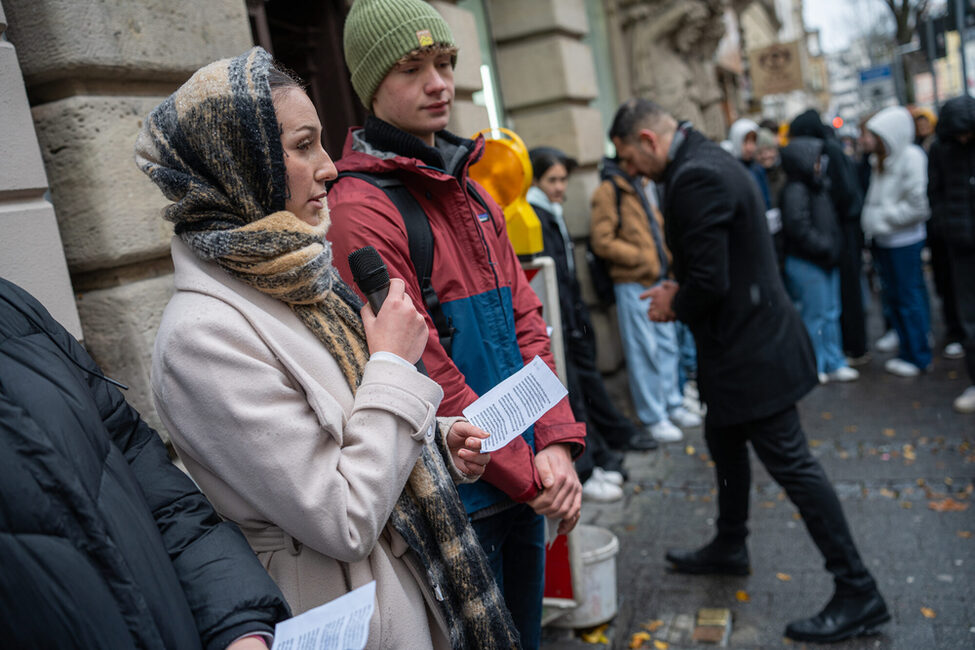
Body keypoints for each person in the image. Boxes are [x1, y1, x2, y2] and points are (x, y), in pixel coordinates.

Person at [137, 47, 520, 650]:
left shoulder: (300, 277)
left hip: (407, 590)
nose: (329, 168)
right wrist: (393, 362)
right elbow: (342, 516)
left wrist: (440, 441)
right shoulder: (202, 339)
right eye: (301, 145)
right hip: (346, 615)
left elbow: (356, 423)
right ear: (241, 164)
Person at [326, 3, 585, 647]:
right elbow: (422, 363)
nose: (439, 82)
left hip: (521, 474)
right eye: (413, 69)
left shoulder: (473, 189)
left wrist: (553, 443)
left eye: (443, 63)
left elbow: (528, 321)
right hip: (457, 492)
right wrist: (528, 472)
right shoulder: (359, 207)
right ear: (371, 85)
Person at [610, 98, 887, 643]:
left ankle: (858, 590)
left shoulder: (692, 177)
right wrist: (685, 288)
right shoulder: (708, 158)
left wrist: (674, 301)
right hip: (743, 346)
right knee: (723, 438)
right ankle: (730, 543)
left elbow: (710, 282)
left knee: (794, 466)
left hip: (751, 353)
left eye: (630, 159)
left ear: (647, 140)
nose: (632, 172)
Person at [0, 277, 290, 649]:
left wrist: (238, 625)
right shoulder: (198, 332)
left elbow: (152, 483)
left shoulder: (12, 308)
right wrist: (388, 369)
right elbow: (343, 517)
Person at [527, 146, 641, 503]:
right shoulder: (535, 215)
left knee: (583, 390)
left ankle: (602, 454)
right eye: (553, 179)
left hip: (572, 319)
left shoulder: (550, 213)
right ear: (535, 180)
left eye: (563, 179)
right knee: (571, 395)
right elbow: (551, 280)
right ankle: (588, 466)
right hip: (558, 324)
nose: (560, 187)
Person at [590, 146, 701, 443]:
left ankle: (671, 404)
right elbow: (602, 240)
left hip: (655, 278)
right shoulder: (609, 190)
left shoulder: (640, 187)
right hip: (632, 281)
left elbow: (656, 230)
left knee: (666, 346)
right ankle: (654, 415)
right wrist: (641, 257)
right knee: (644, 350)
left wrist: (663, 260)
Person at [790, 109, 868, 364]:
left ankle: (853, 346)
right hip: (840, 231)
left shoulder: (829, 153)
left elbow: (844, 194)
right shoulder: (830, 151)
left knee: (845, 293)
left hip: (843, 231)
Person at [779, 137, 859, 383]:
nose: (820, 163)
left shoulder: (818, 186)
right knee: (815, 316)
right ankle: (815, 364)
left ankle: (834, 360)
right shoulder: (795, 190)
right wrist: (824, 246)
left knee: (830, 313)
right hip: (808, 262)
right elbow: (798, 227)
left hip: (825, 260)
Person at [862, 106, 932, 377]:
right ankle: (910, 349)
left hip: (904, 240)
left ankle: (917, 355)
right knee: (898, 296)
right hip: (887, 240)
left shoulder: (911, 157)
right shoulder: (884, 159)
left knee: (908, 297)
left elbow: (918, 205)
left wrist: (883, 218)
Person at [927, 95, 975, 413]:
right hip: (961, 245)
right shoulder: (940, 150)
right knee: (969, 315)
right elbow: (935, 192)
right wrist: (948, 227)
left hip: (959, 239)